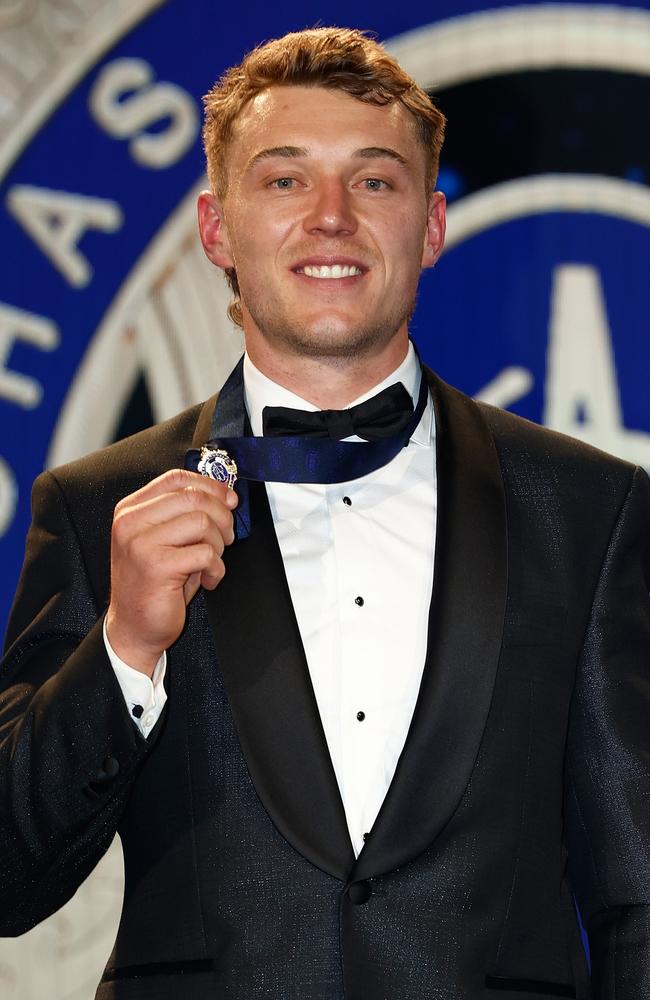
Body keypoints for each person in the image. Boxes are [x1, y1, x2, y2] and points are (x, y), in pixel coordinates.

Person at [1, 26, 649, 1000]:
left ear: (429, 226)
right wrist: (126, 646)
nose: (331, 217)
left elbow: (636, 898)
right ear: (215, 228)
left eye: (374, 181)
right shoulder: (97, 508)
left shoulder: (590, 508)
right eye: (284, 180)